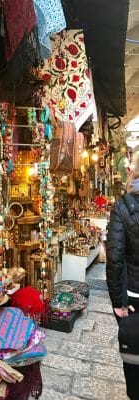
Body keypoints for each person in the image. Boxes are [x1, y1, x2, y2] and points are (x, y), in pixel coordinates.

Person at [106, 152, 139, 400]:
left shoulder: (124, 206)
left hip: (134, 297)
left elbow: (115, 258)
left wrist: (118, 302)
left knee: (135, 355)